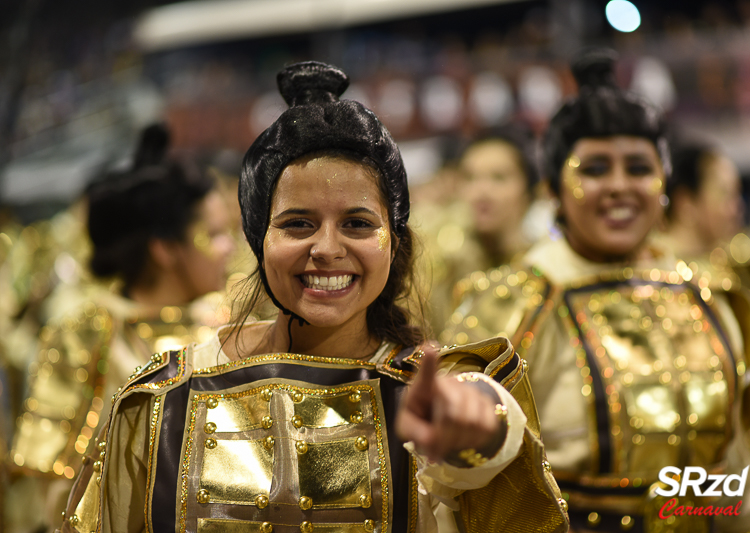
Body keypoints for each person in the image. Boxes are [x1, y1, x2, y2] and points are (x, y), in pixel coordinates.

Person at [57, 62, 568, 533]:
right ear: (260, 242)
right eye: (297, 224)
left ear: (395, 242)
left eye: (358, 224)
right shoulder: (162, 398)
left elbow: (511, 484)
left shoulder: (434, 393)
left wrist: (485, 436)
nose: (326, 249)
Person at [442, 49, 750, 532]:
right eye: (595, 169)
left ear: (662, 182)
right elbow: (461, 486)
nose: (619, 186)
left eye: (638, 167)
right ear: (554, 188)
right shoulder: (510, 304)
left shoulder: (709, 296)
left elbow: (744, 467)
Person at [9, 124, 234, 532]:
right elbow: (49, 485)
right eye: (214, 234)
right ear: (164, 248)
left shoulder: (231, 321)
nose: (229, 248)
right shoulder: (86, 331)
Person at [416, 128, 539, 337]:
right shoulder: (438, 264)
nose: (481, 192)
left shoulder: (541, 268)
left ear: (529, 190)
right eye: (470, 178)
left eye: (499, 178)